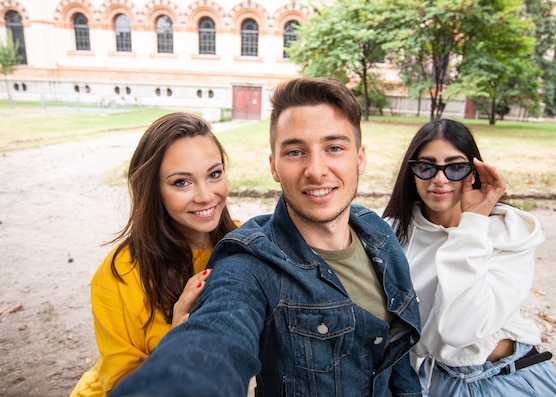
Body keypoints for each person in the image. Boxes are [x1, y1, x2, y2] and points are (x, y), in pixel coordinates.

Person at [109, 77, 422, 397]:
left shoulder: (379, 234)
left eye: (334, 148)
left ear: (360, 159)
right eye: (296, 151)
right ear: (274, 167)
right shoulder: (250, 265)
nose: (316, 170)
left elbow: (398, 360)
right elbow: (216, 338)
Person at [383, 119, 556, 396]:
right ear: (411, 173)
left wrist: (471, 223)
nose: (440, 179)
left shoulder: (509, 231)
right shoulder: (393, 232)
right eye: (426, 166)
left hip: (509, 377)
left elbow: (461, 329)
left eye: (456, 167)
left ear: (475, 171)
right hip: (437, 381)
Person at [70, 112, 238, 396]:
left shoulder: (245, 244)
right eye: (181, 182)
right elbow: (119, 387)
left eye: (214, 174)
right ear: (153, 189)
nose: (206, 195)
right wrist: (176, 340)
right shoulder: (119, 275)